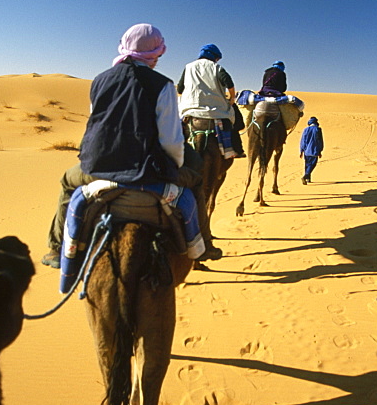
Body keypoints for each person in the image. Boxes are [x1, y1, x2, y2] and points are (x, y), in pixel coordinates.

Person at [41, 23, 205, 269]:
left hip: (98, 167)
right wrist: (174, 168)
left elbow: (96, 121)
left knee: (68, 182)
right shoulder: (162, 85)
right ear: (156, 52)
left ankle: (56, 249)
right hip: (148, 171)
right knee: (196, 181)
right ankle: (199, 245)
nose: (159, 58)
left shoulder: (100, 80)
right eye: (158, 52)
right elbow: (171, 141)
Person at [176, 43, 244, 158]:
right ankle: (236, 149)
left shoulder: (188, 67)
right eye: (217, 58)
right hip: (217, 111)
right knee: (235, 121)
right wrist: (232, 98)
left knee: (174, 127)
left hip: (190, 112)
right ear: (213, 56)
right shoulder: (217, 68)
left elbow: (180, 89)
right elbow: (229, 83)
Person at [299, 116, 323, 184]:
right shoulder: (317, 129)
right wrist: (320, 150)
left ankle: (308, 179)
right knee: (312, 164)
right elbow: (320, 141)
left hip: (306, 151)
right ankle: (305, 176)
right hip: (314, 151)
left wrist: (301, 150)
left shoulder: (306, 129)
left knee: (307, 164)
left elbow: (303, 140)